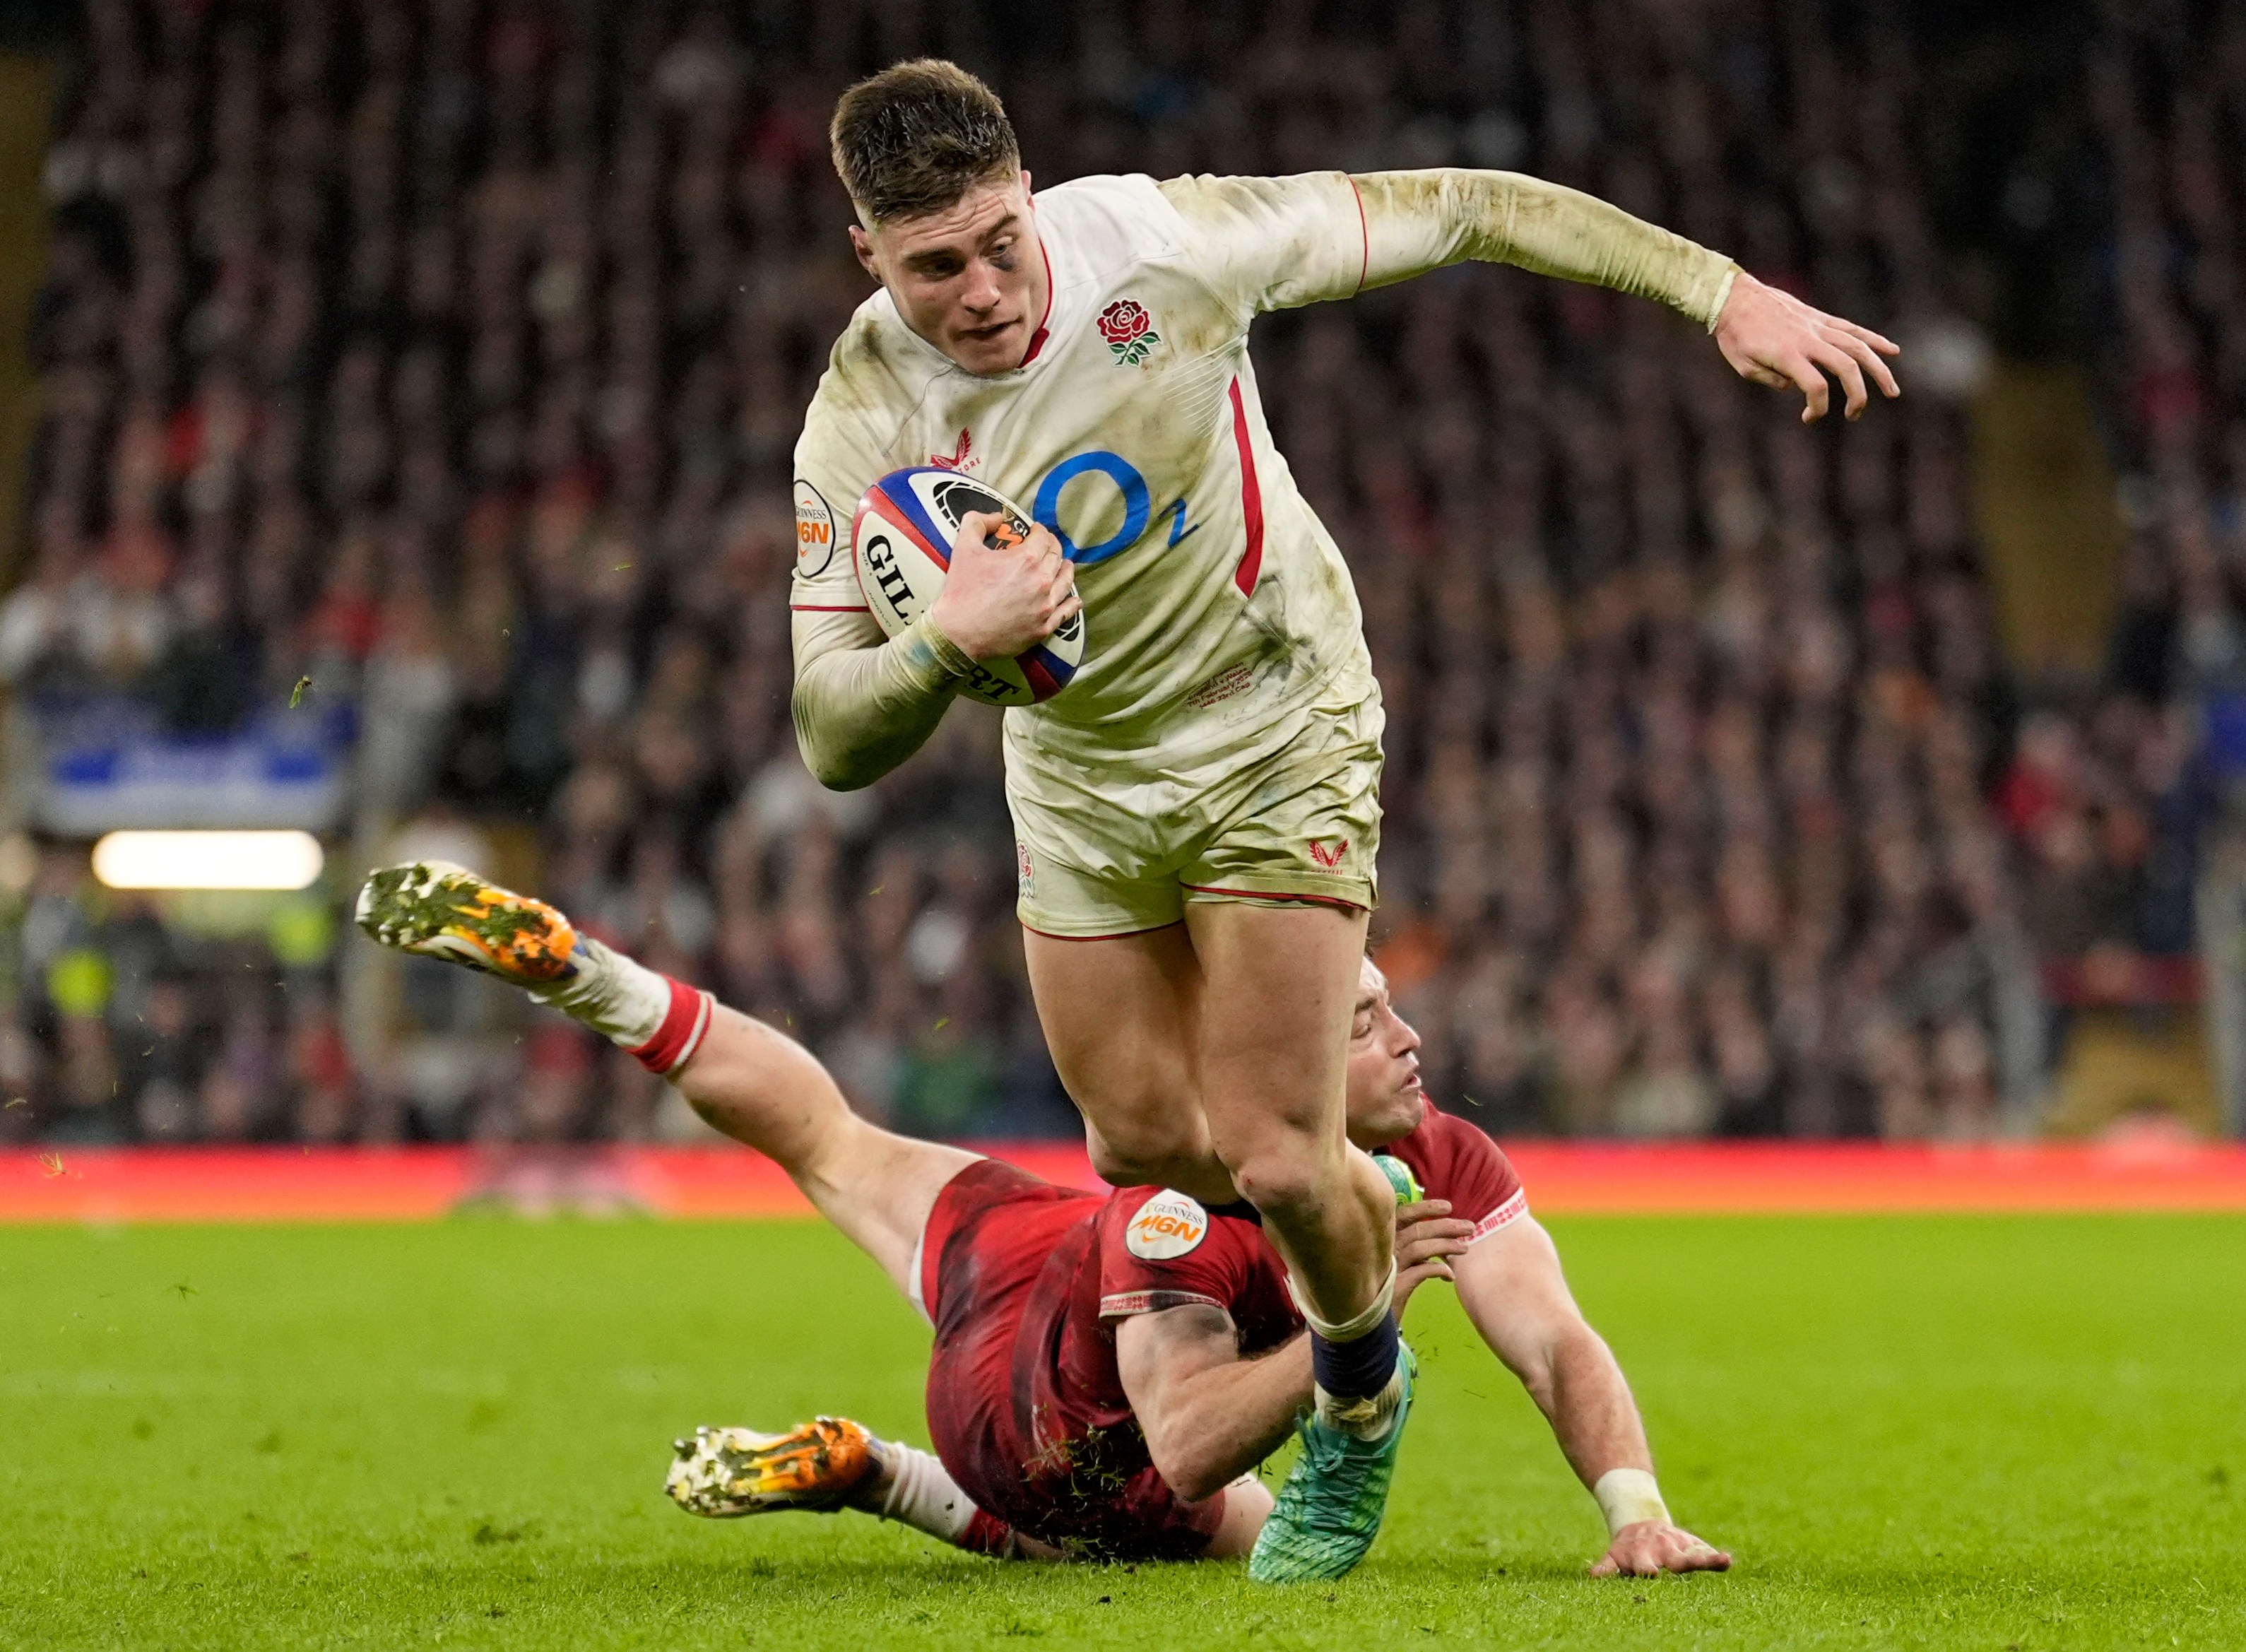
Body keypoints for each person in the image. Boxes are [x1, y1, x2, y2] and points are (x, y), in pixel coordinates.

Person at [784, 60, 1897, 1574]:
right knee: (1136, 1140)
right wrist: (943, 642)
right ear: (867, 253)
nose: (983, 290)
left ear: (1030, 190)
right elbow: (831, 730)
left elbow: (1469, 207)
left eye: (1000, 241)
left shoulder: (1170, 246)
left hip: (1275, 720)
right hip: (1080, 773)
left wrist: (1721, 295)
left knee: (1279, 1157)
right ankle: (1367, 1230)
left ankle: (1358, 1402)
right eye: (934, 267)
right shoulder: (861, 417)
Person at [354, 861, 1730, 1579]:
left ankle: (590, 976)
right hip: (1046, 1398)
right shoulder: (1194, 1190)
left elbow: (1553, 1336)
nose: (1411, 1037)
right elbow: (1185, 1443)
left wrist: (1637, 1508)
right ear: (1296, 1037)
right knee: (1214, 1524)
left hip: (1032, 1236)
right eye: (1366, 1018)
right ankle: (890, 1475)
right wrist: (1353, 1326)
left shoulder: (1435, 1153)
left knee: (829, 1139)